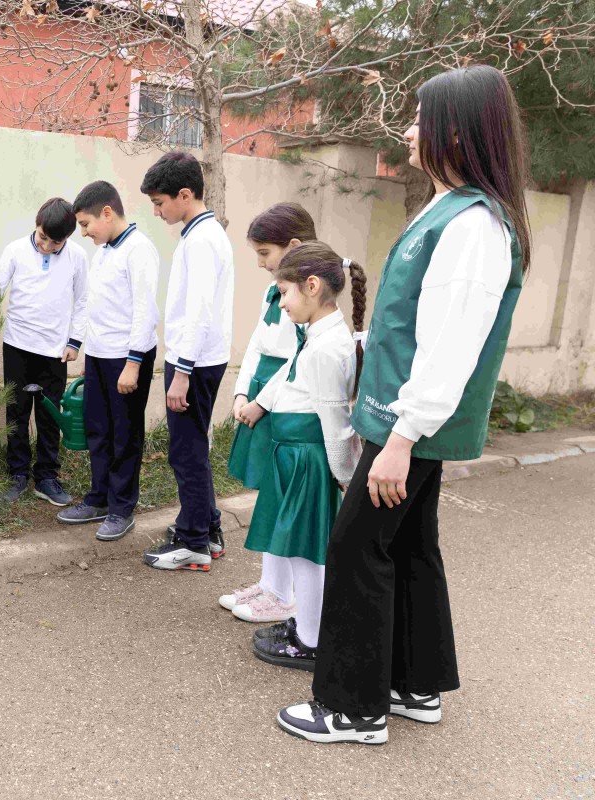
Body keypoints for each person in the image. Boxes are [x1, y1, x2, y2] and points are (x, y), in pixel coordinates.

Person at [278, 64, 531, 745]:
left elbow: (450, 347)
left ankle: (352, 708)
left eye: (422, 116)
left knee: (357, 546)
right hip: (404, 422)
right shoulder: (452, 209)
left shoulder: (474, 224)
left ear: (458, 129)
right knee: (411, 545)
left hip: (408, 428)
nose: (410, 128)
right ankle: (414, 684)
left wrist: (400, 438)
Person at [236, 242, 366, 672]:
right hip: (293, 457)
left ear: (311, 287)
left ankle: (311, 640)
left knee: (307, 554)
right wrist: (260, 403)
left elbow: (336, 420)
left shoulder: (328, 348)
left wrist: (346, 473)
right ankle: (305, 626)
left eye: (284, 292)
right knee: (296, 549)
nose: (282, 302)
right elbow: (289, 374)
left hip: (309, 461)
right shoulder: (316, 335)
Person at [219, 203, 316, 621]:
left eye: (264, 253)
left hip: (285, 403)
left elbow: (299, 358)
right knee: (269, 496)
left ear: (293, 246)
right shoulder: (272, 291)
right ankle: (271, 585)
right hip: (262, 395)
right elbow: (258, 344)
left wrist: (261, 403)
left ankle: (283, 594)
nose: (259, 263)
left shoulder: (310, 296)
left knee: (284, 500)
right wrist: (242, 392)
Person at [137, 151, 233, 571]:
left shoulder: (201, 241)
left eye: (160, 203)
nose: (157, 212)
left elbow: (197, 312)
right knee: (194, 448)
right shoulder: (202, 235)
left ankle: (193, 540)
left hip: (192, 363)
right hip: (200, 359)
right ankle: (207, 530)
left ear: (185, 194)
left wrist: (181, 375)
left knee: (185, 453)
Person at [0, 199, 88, 507]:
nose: (45, 246)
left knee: (49, 415)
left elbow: (84, 301)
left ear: (67, 239)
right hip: (17, 346)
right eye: (42, 236)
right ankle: (16, 474)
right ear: (37, 225)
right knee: (16, 413)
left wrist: (75, 342)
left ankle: (47, 477)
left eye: (54, 242)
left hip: (55, 352)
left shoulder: (77, 257)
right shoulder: (15, 251)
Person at [57, 181, 160, 542]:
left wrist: (133, 363)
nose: (83, 233)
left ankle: (121, 508)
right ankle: (98, 498)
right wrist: (89, 354)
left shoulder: (139, 250)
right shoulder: (102, 252)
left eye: (86, 225)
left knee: (124, 435)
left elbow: (145, 311)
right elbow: (98, 308)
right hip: (101, 357)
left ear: (107, 212)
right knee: (98, 431)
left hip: (127, 358)